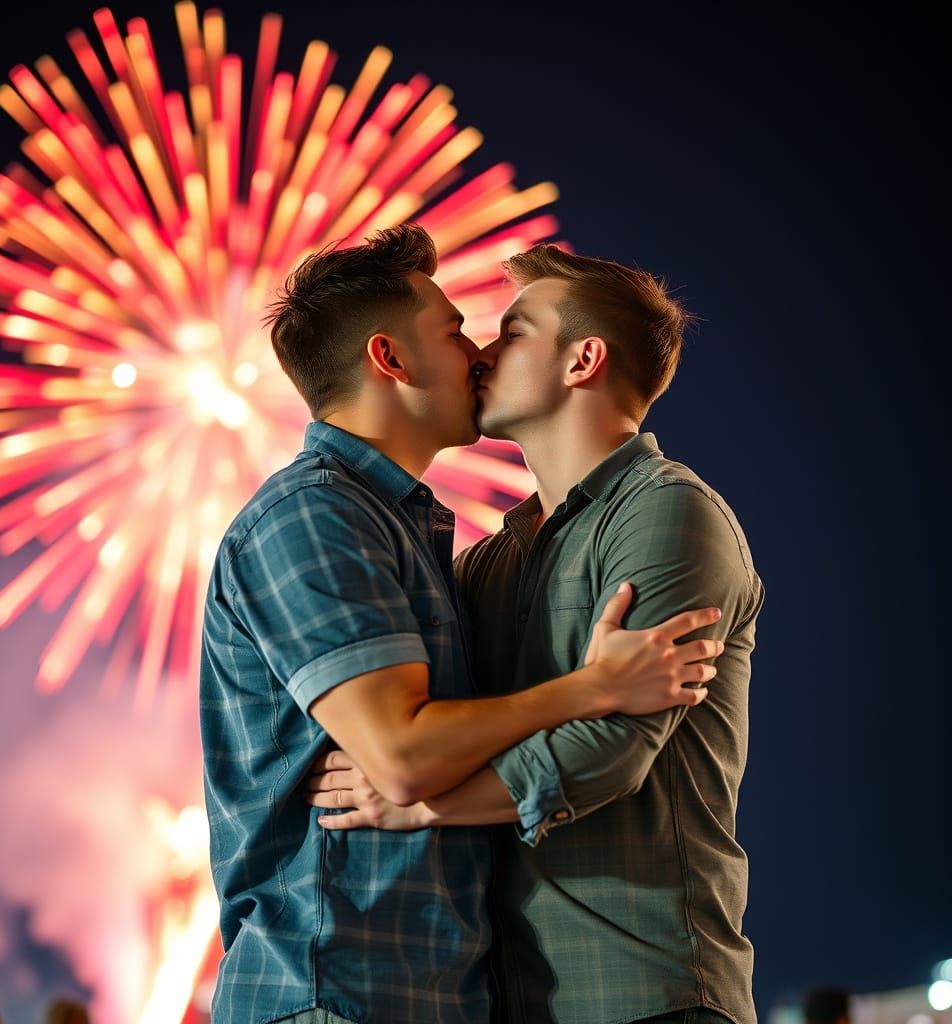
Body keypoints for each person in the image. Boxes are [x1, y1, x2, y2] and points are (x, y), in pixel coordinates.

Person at [200, 225, 724, 1023]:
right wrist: (589, 687)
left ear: (583, 362)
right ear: (392, 359)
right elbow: (406, 751)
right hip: (340, 991)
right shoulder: (320, 519)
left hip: (561, 990)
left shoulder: (640, 515)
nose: (478, 352)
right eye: (457, 332)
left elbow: (605, 751)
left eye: (508, 332)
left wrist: (423, 801)